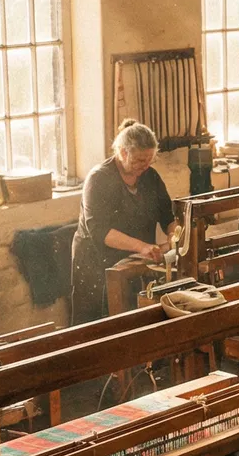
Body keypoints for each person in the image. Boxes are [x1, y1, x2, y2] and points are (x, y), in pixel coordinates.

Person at [71, 121, 174, 324]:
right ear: (122, 152)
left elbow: (167, 214)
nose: (144, 166)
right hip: (96, 264)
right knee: (96, 326)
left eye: (149, 160)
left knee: (134, 320)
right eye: (139, 160)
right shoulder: (98, 179)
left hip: (135, 260)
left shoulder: (150, 176)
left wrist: (173, 236)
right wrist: (142, 246)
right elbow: (100, 231)